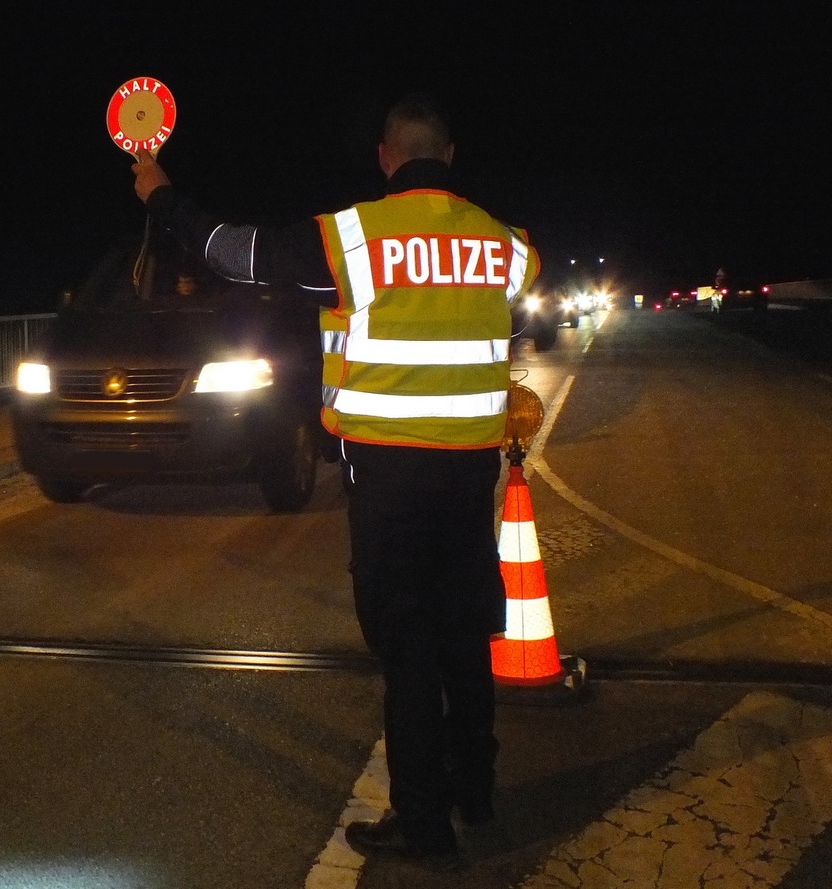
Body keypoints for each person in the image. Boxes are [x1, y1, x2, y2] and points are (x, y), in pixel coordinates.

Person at [132, 91, 540, 870]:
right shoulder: (505, 245)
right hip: (467, 477)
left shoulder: (353, 240)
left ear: (386, 158)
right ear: (449, 159)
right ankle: (475, 791)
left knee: (409, 646)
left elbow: (230, 251)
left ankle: (422, 821)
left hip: (388, 478)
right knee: (464, 633)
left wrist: (162, 196)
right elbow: (509, 314)